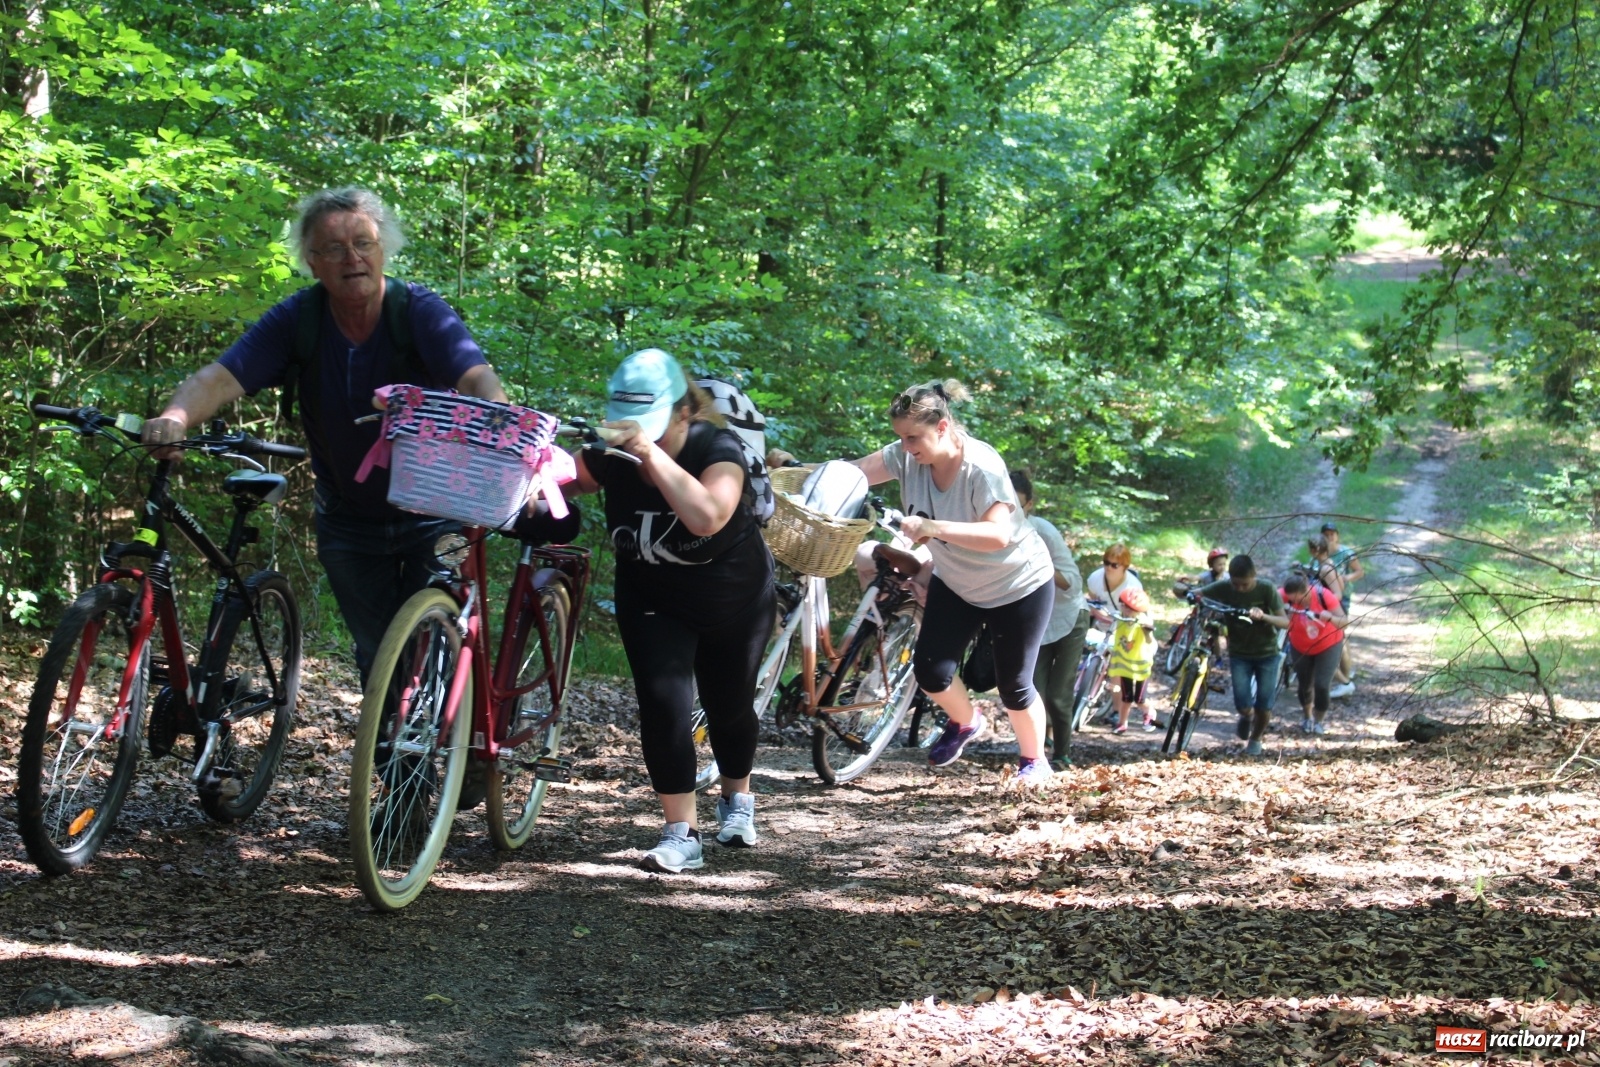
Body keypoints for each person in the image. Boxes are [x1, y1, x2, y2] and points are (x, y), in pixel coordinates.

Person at [141, 187, 514, 685]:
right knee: (378, 657)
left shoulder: (419, 313)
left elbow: (475, 376)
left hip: (435, 513)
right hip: (348, 520)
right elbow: (221, 377)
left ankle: (457, 748)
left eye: (363, 243)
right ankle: (392, 763)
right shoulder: (300, 320)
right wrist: (177, 416)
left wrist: (502, 418)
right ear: (312, 262)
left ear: (384, 250)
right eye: (334, 248)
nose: (352, 258)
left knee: (438, 641)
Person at [566, 348, 774, 874]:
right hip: (652, 596)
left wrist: (648, 454)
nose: (644, 437)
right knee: (664, 705)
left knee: (729, 708)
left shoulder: (716, 447)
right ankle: (682, 833)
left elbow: (707, 515)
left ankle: (737, 796)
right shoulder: (611, 450)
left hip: (734, 599)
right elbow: (571, 480)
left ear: (685, 412)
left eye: (655, 426)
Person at [849, 380, 1057, 785]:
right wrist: (795, 473)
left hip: (1019, 585)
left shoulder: (981, 465)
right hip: (958, 583)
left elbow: (998, 534)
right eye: (900, 438)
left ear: (942, 427)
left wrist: (933, 526)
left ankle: (1034, 762)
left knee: (1014, 684)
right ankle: (966, 721)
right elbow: (853, 473)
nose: (907, 447)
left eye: (914, 437)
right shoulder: (905, 456)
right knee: (930, 672)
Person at [1010, 471, 1088, 769]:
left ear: (1029, 505)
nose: (1012, 513)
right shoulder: (996, 532)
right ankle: (1035, 753)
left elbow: (1072, 582)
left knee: (1058, 695)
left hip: (1069, 617)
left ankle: (1063, 753)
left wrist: (1038, 562)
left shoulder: (1043, 531)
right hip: (1036, 620)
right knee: (1034, 691)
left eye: (1019, 506)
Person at [1192, 554, 1286, 756]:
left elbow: (1285, 622)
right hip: (1239, 655)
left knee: (1264, 703)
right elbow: (1198, 593)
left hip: (1267, 654)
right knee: (1242, 703)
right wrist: (1184, 591)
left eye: (1245, 584)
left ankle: (1256, 738)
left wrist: (1264, 616)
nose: (1240, 588)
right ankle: (1247, 716)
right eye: (1236, 584)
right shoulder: (1224, 587)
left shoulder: (1266, 588)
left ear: (1254, 576)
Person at [1274, 572, 1348, 735]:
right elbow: (1269, 599)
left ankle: (1319, 720)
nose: (1295, 602)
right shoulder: (1284, 595)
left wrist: (1330, 618)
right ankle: (1307, 717)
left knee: (1322, 685)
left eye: (1298, 599)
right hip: (1300, 645)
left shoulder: (1324, 596)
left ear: (1307, 591)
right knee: (1304, 684)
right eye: (1291, 599)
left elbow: (1344, 622)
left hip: (1328, 644)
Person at [1305, 534, 1354, 697]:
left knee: (1323, 654)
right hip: (1327, 613)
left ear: (1314, 550)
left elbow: (1337, 593)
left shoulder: (1326, 569)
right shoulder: (1327, 563)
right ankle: (1344, 681)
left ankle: (1345, 683)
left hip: (1329, 615)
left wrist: (1322, 605)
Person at [1321, 522, 1364, 697]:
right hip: (1322, 596)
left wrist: (1344, 578)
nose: (1330, 537)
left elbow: (1360, 571)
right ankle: (1340, 674)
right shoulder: (1320, 552)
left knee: (1339, 635)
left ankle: (1346, 676)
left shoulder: (1346, 553)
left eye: (1332, 534)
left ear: (1337, 535)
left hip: (1341, 596)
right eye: (1326, 534)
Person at [1106, 586, 1157, 734]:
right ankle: (1122, 723)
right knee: (1126, 697)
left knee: (1139, 698)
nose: (1126, 611)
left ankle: (1149, 712)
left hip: (1141, 667)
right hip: (1125, 666)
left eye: (1130, 609)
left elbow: (1148, 639)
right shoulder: (1121, 617)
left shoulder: (1142, 621)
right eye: (1124, 606)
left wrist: (1146, 629)